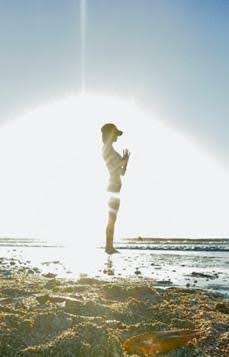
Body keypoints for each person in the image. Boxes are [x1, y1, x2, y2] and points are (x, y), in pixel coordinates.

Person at [101, 123, 130, 254]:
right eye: (115, 133)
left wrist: (126, 162)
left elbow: (122, 172)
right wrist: (123, 161)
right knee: (111, 217)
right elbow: (112, 168)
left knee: (113, 217)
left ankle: (110, 246)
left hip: (117, 186)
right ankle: (108, 247)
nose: (117, 136)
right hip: (112, 186)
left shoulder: (112, 150)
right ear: (110, 134)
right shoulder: (106, 149)